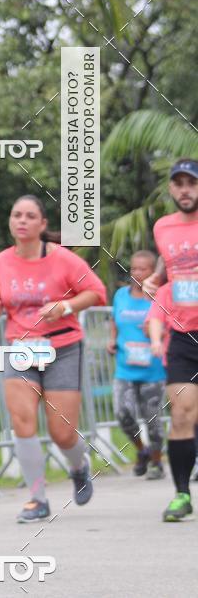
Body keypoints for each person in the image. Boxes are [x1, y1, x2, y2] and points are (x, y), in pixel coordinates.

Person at [0, 194, 107, 523]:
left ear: (42, 224)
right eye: (16, 215)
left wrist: (64, 307)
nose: (21, 221)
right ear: (11, 222)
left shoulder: (64, 260)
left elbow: (96, 292)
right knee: (22, 424)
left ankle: (79, 467)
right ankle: (37, 498)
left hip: (63, 347)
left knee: (62, 433)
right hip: (20, 348)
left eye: (29, 216)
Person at [146, 158, 198, 522]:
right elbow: (171, 263)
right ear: (170, 189)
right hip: (181, 334)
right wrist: (155, 279)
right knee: (181, 413)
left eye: (192, 183)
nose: (185, 190)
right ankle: (181, 494)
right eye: (178, 183)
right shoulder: (162, 226)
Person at [107, 250, 165, 479]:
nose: (137, 273)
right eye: (134, 269)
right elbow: (114, 320)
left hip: (153, 369)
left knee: (153, 423)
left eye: (143, 269)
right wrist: (112, 339)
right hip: (125, 368)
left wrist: (157, 329)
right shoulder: (121, 295)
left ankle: (157, 464)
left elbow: (172, 325)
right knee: (123, 414)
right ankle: (143, 451)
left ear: (154, 272)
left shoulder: (160, 296)